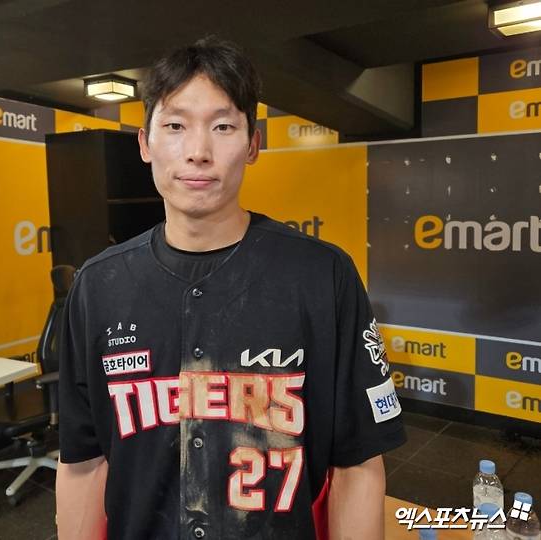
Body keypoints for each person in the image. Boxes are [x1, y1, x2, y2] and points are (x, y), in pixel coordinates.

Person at [56, 36, 406, 540]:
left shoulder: (322, 276)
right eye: (175, 126)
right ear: (145, 144)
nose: (198, 152)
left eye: (223, 127)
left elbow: (357, 465)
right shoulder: (98, 285)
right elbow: (83, 463)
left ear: (253, 144)